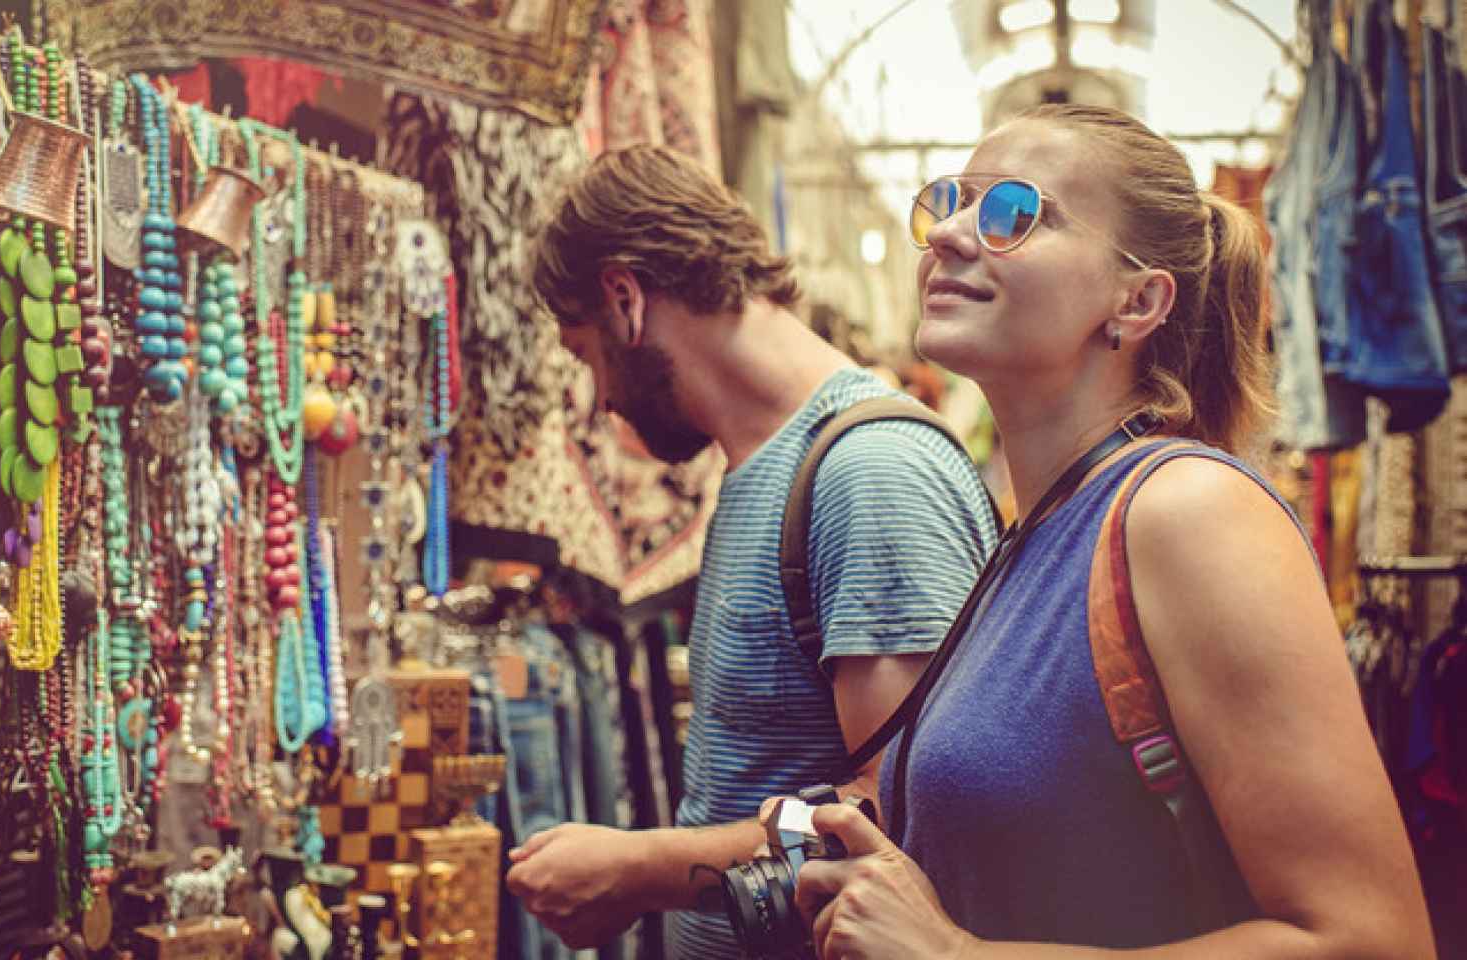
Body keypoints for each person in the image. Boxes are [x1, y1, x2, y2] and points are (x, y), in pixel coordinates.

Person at [790, 104, 1434, 958]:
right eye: (947, 200)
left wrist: (957, 956)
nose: (945, 233)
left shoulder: (1188, 514)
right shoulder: (1042, 527)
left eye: (1013, 212)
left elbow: (1373, 942)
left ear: (1136, 302)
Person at [507, 144, 1000, 957]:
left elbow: (897, 812)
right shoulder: (759, 465)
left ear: (624, 300)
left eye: (584, 355)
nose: (599, 398)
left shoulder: (869, 474)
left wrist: (641, 868)